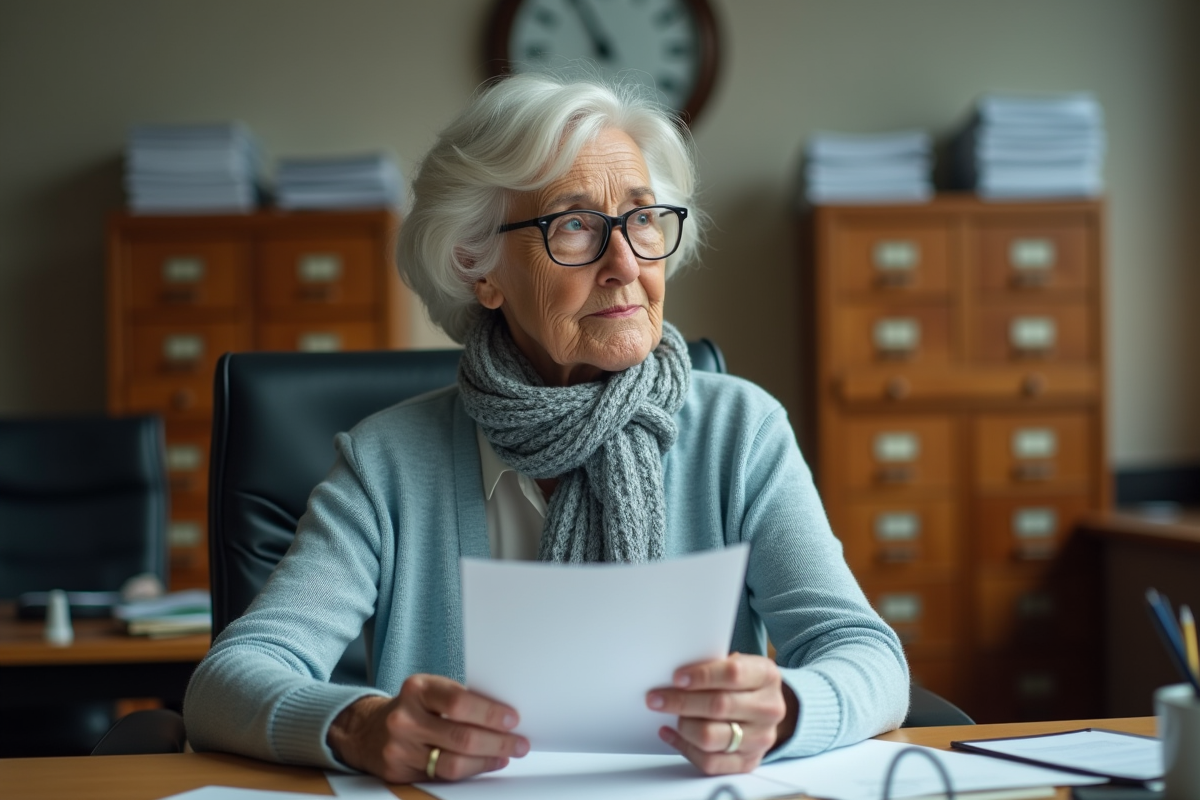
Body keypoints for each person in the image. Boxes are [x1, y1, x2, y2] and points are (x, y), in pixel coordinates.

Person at [183, 72, 909, 783]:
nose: (625, 264)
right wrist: (357, 725)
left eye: (643, 220)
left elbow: (867, 656)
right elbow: (227, 683)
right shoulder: (387, 462)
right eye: (573, 227)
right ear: (480, 270)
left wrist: (785, 708)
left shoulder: (740, 431)